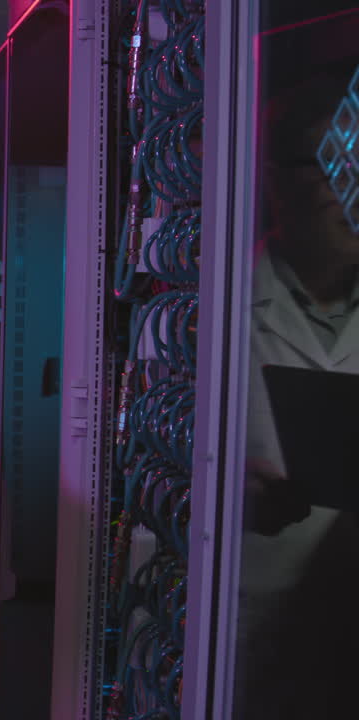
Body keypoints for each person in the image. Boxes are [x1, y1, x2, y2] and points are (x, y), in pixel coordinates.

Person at [237, 56, 359, 719]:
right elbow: (140, 481)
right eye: (336, 170)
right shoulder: (207, 320)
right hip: (251, 645)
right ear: (277, 184)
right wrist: (232, 495)